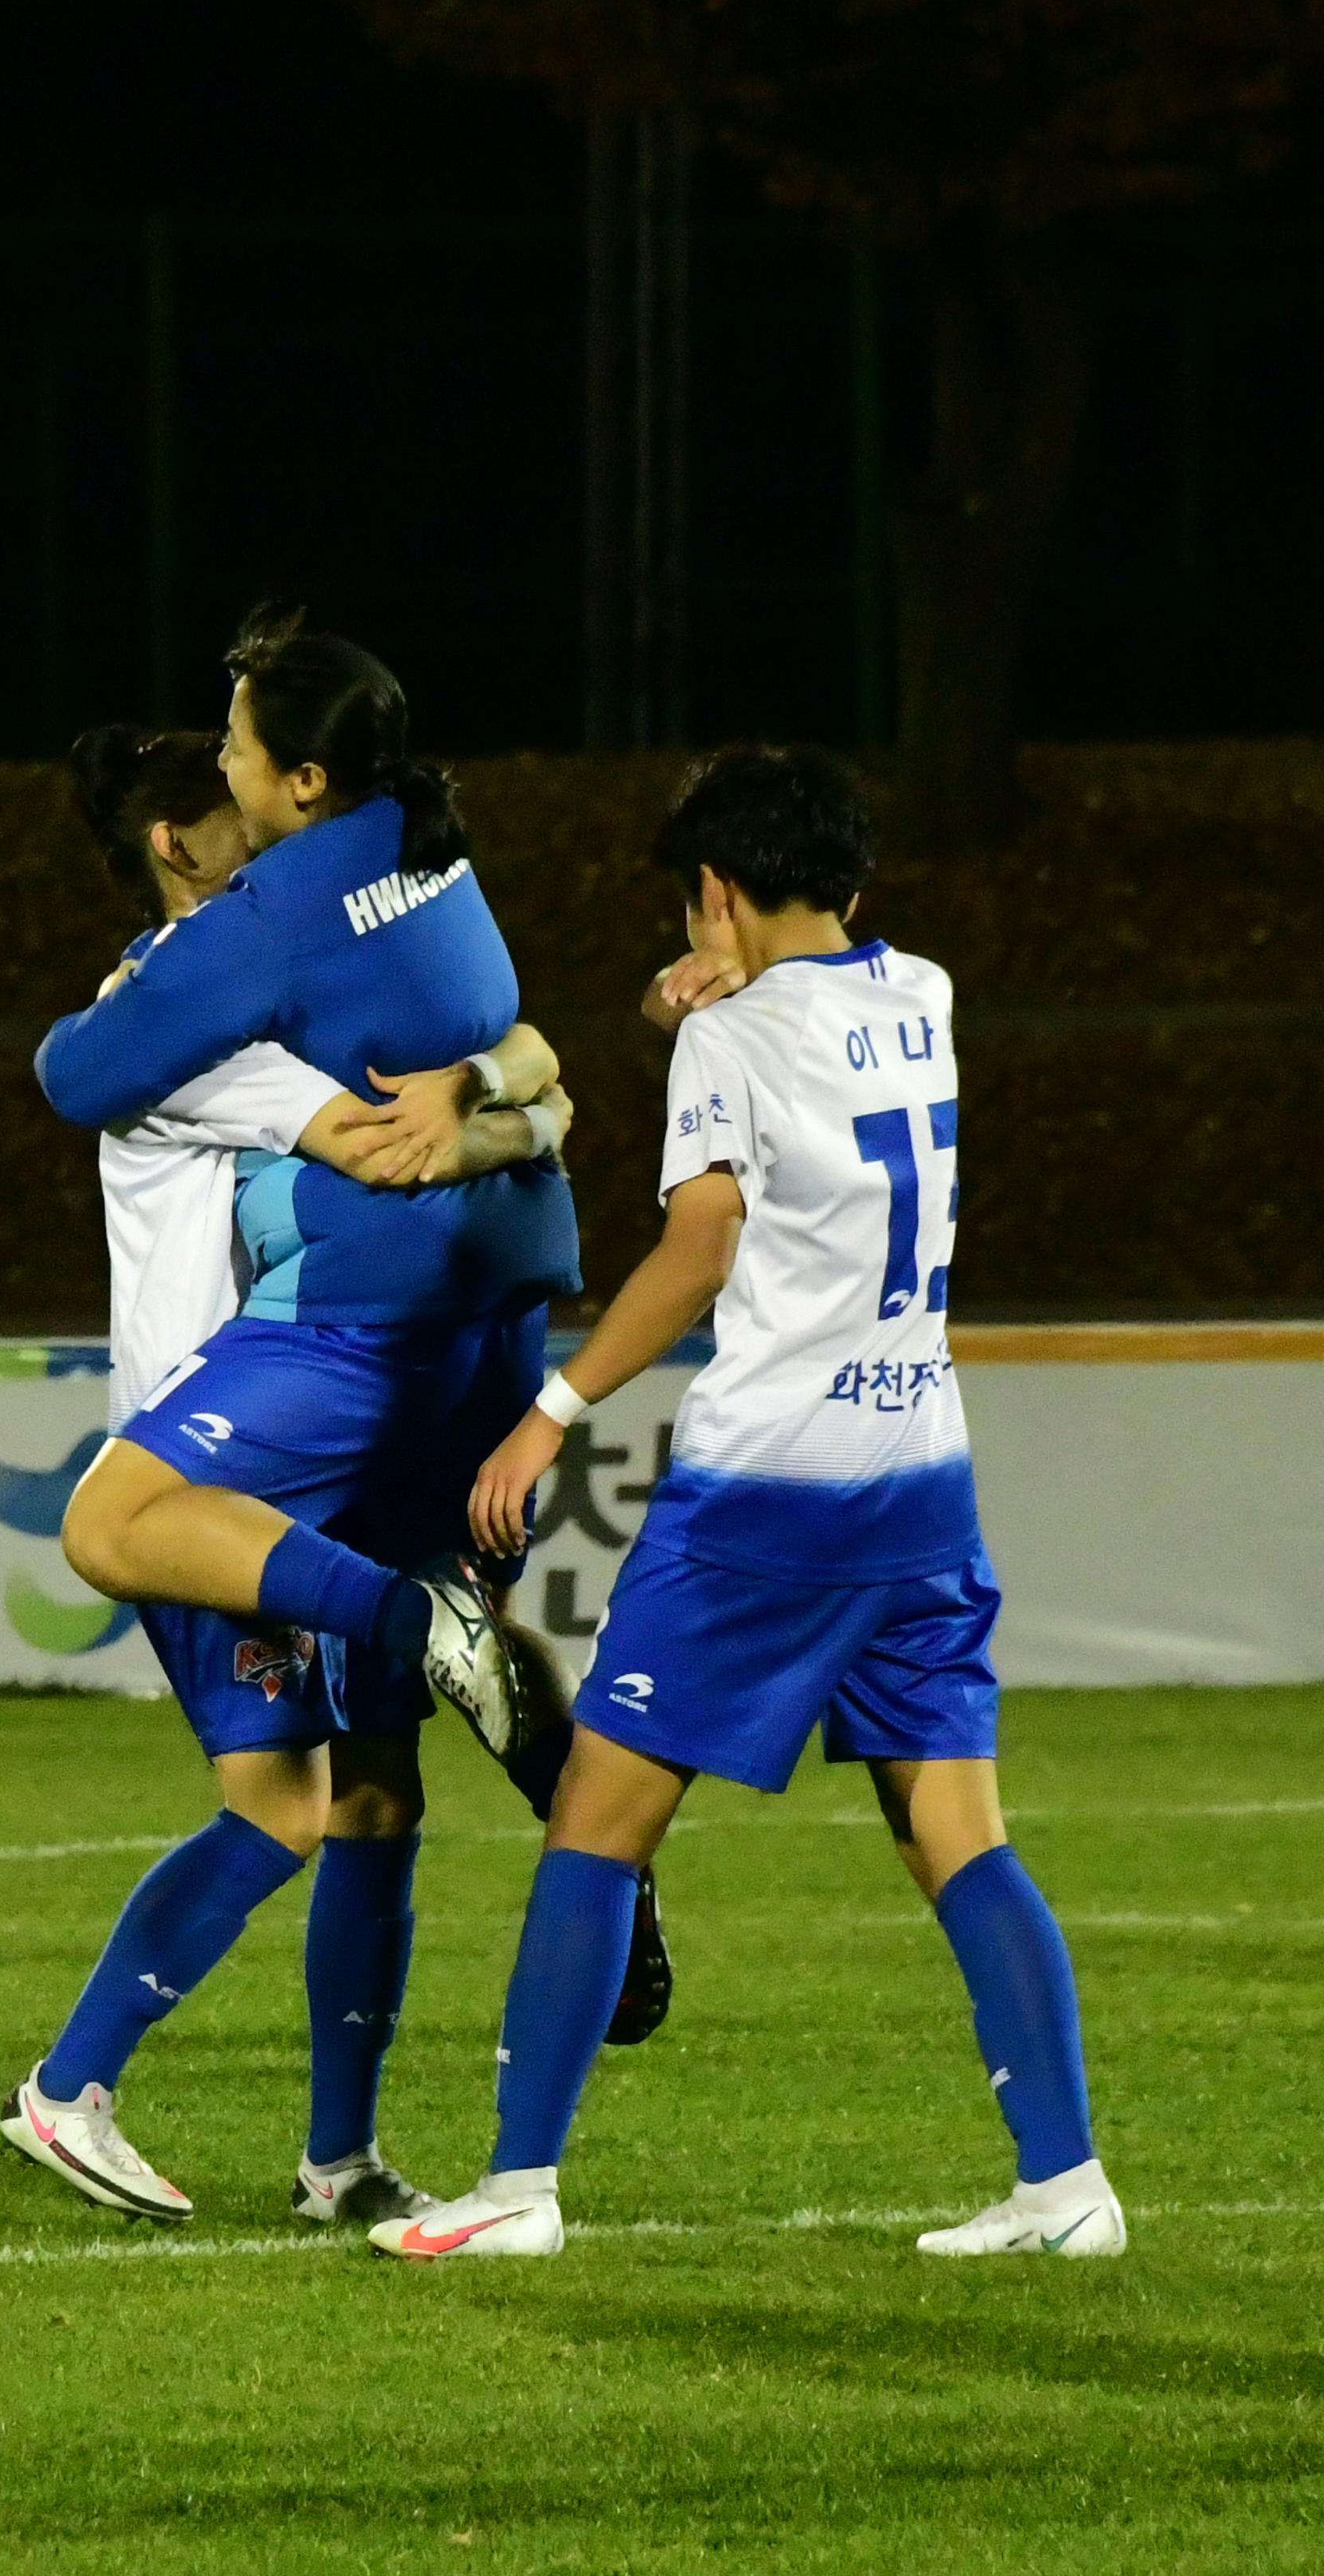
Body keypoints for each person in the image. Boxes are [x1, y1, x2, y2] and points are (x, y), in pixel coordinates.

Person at [369, 747, 1115, 2266]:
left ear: (713, 891)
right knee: (953, 1831)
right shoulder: (929, 993)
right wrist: (703, 993)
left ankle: (515, 2189)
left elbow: (700, 1244)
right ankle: (1066, 2185)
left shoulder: (731, 1046)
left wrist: (550, 1414)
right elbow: (804, 1030)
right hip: (918, 1472)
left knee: (595, 1822)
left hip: (768, 1493)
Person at [3, 614, 593, 2207]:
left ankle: (339, 2157)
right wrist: (515, 1102)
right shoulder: (187, 1025)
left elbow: (436, 1079)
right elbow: (371, 1137)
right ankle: (69, 2084)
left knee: (375, 1797)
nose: (250, 801)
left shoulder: (247, 984)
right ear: (176, 842)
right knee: (282, 1804)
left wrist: (518, 1071)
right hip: (220, 1462)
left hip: (312, 1436)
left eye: (250, 757)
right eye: (228, 788)